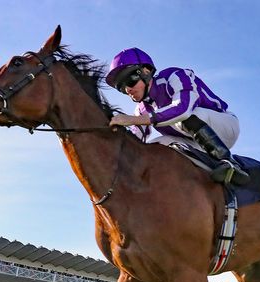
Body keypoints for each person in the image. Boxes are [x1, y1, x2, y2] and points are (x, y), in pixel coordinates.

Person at [106, 47, 250, 185]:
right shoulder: (142, 109)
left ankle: (230, 164)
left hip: (224, 128)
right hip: (195, 143)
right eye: (121, 87)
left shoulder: (174, 76)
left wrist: (133, 120)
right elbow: (134, 142)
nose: (128, 89)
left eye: (130, 80)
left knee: (186, 118)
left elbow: (183, 109)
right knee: (154, 146)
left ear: (146, 71)